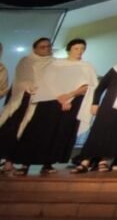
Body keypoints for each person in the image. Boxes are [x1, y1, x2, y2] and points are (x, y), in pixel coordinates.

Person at [13, 38, 98, 175]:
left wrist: (69, 96)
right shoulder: (55, 64)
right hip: (50, 101)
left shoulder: (86, 66)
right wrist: (60, 97)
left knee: (59, 133)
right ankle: (25, 164)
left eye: (82, 48)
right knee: (38, 131)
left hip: (72, 103)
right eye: (76, 48)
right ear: (69, 49)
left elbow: (87, 86)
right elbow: (47, 82)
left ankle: (48, 164)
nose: (79, 51)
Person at [0, 38, 53, 175]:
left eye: (48, 46)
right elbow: (21, 80)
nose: (47, 49)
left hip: (42, 103)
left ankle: (19, 163)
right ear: (35, 49)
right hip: (22, 100)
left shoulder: (55, 63)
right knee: (12, 129)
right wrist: (29, 87)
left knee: (30, 132)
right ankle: (7, 161)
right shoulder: (26, 61)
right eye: (42, 47)